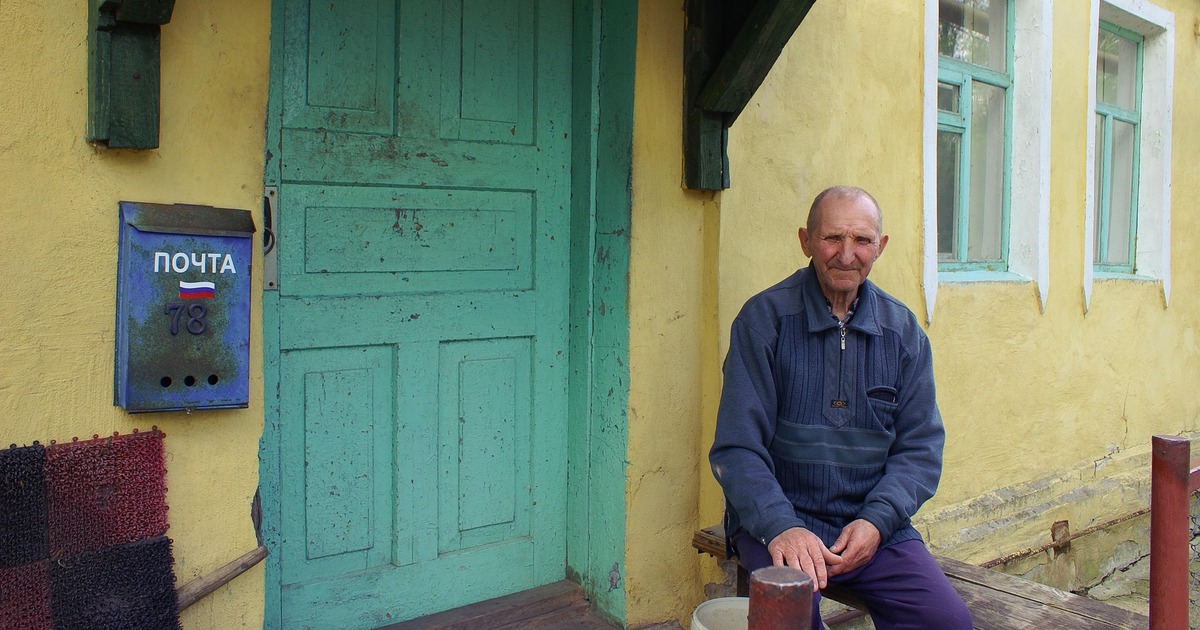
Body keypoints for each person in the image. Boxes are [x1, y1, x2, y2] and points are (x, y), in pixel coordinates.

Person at [709, 186, 972, 629]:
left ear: (880, 246)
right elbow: (737, 449)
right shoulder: (764, 321)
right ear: (805, 241)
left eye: (862, 240)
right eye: (833, 238)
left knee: (946, 621)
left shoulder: (903, 333)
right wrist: (781, 526)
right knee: (789, 615)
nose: (847, 255)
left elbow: (920, 451)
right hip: (780, 519)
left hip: (870, 527)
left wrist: (876, 521)